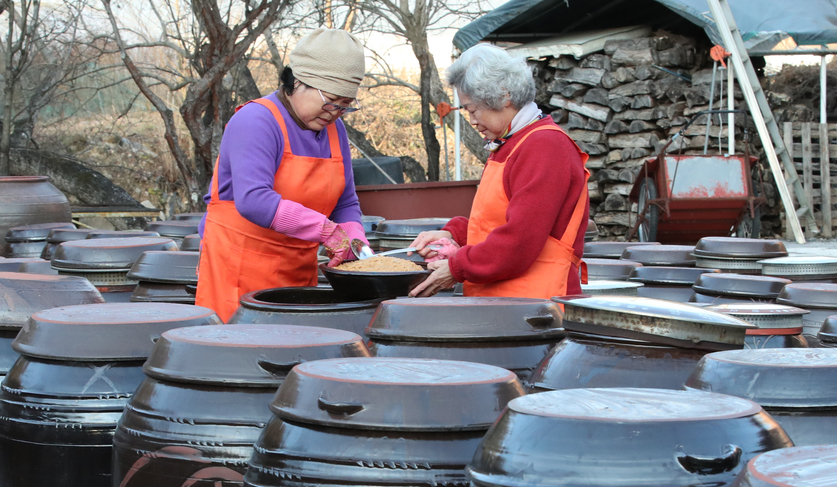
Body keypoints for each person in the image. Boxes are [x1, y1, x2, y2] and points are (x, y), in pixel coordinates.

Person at [195, 29, 369, 321]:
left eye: (345, 105)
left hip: (297, 276)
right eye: (331, 100)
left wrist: (355, 239)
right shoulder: (255, 122)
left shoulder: (334, 129)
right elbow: (255, 201)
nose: (336, 112)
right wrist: (327, 231)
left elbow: (345, 202)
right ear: (297, 82)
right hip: (237, 273)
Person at [409, 44, 589, 299]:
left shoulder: (544, 147)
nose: (471, 120)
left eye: (472, 109)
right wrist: (453, 234)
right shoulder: (512, 143)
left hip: (538, 308)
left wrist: (456, 267)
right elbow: (500, 222)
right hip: (506, 305)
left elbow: (520, 241)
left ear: (503, 96)